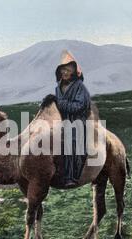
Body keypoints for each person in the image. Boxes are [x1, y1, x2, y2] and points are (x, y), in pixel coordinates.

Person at [42, 50, 91, 188]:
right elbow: (58, 104)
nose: (65, 72)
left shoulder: (80, 87)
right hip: (61, 122)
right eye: (63, 69)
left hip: (77, 122)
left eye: (68, 70)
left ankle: (72, 177)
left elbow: (81, 106)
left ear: (74, 71)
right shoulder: (58, 88)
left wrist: (60, 102)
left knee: (74, 145)